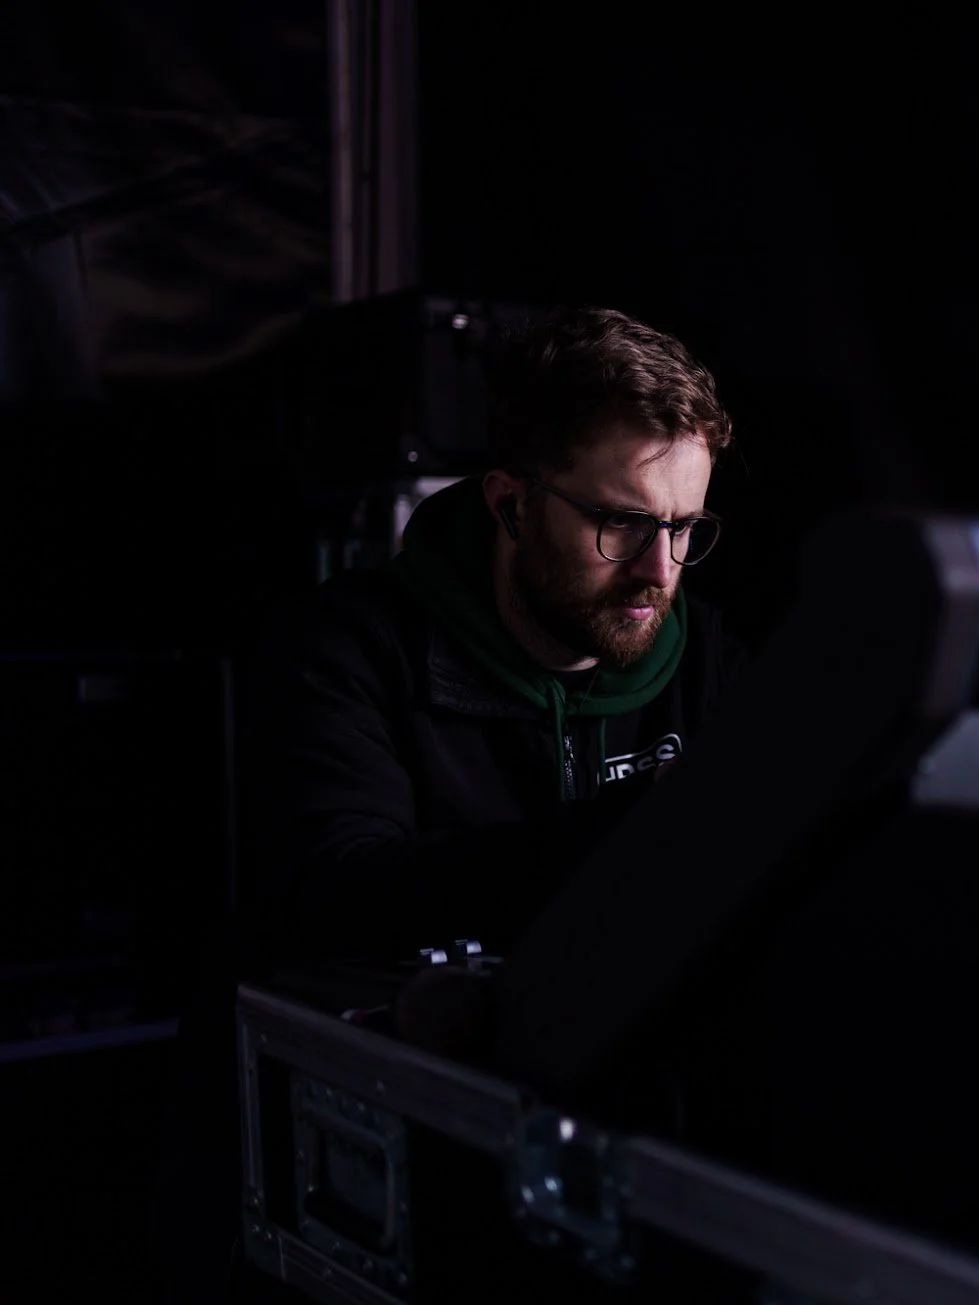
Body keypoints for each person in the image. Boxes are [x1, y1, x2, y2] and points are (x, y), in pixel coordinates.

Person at [149, 304, 745, 1301]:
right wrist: (647, 834)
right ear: (510, 505)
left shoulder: (709, 657)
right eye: (621, 524)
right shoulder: (343, 649)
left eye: (686, 529)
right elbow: (335, 891)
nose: (659, 574)